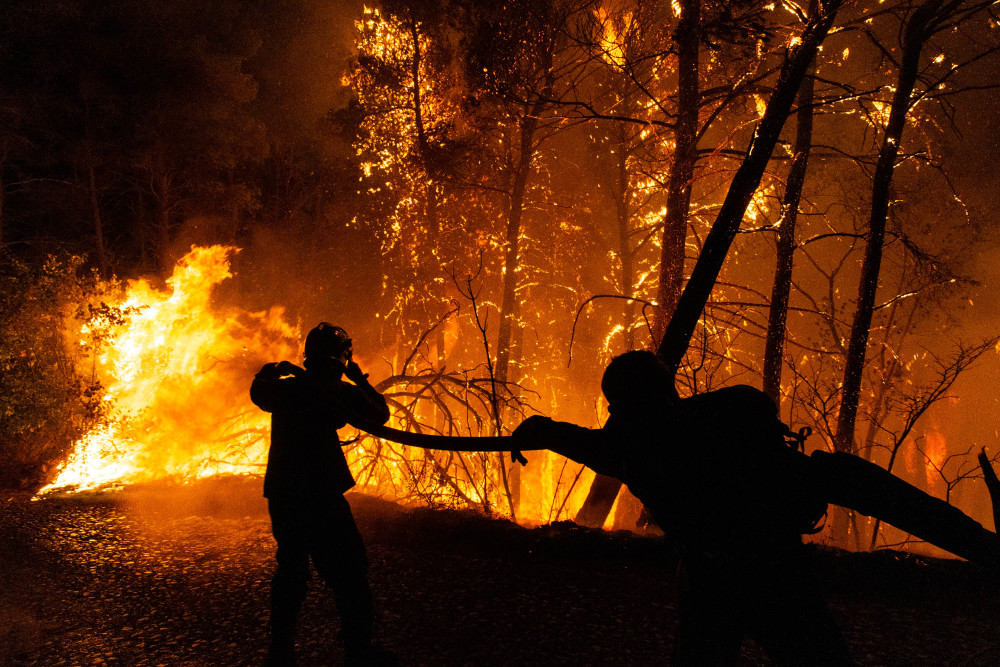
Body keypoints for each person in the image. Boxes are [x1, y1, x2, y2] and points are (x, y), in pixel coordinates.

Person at [513, 350, 851, 665]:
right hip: (758, 568)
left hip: (746, 572)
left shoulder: (636, 448)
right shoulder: (694, 429)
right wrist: (541, 430)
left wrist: (540, 430)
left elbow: (587, 443)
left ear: (621, 407)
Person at [250, 322, 392, 666]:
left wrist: (267, 371)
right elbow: (380, 414)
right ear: (343, 357)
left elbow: (259, 393)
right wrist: (359, 378)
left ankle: (280, 647)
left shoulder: (287, 390)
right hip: (321, 494)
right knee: (350, 568)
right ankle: (358, 650)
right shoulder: (338, 393)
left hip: (283, 493)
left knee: (291, 568)